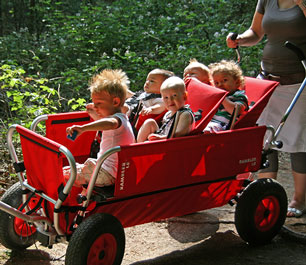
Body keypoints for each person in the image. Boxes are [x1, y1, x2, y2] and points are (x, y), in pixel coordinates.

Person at [226, 0, 306, 217]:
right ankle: (266, 193)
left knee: (299, 140)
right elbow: (256, 31)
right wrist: (240, 39)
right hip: (268, 81)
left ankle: (299, 199)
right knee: (264, 136)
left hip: (299, 80)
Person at [64, 69, 135, 187]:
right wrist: (95, 112)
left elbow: (110, 123)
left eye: (99, 103)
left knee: (63, 175)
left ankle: (58, 202)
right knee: (69, 169)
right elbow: (105, 124)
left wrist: (83, 128)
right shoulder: (122, 119)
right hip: (106, 170)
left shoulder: (117, 121)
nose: (96, 107)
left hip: (107, 174)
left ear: (116, 102)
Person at [137, 76, 195, 142]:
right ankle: (138, 145)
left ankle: (140, 148)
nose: (170, 100)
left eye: (174, 96)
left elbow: (180, 135)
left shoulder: (185, 114)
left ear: (184, 96)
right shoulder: (168, 113)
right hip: (164, 139)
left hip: (173, 145)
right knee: (150, 122)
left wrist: (161, 138)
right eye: (166, 98)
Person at [203, 60, 248, 133]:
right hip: (209, 122)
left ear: (237, 82)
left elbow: (236, 111)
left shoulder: (239, 95)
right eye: (216, 83)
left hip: (223, 125)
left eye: (224, 80)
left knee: (209, 129)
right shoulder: (216, 95)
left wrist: (222, 98)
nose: (220, 84)